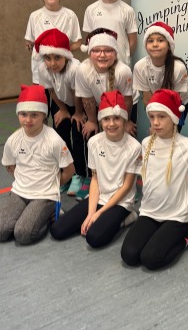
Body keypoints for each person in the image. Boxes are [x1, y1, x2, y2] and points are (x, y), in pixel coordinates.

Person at [50, 91, 141, 247]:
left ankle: (127, 218)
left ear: (125, 119)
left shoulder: (134, 147)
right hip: (99, 197)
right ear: (100, 120)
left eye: (117, 118)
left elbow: (126, 187)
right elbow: (95, 179)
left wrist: (99, 213)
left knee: (94, 237)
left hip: (121, 202)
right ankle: (101, 218)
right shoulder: (94, 142)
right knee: (57, 230)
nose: (111, 124)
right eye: (106, 119)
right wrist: (91, 213)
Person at [121, 89, 188, 270]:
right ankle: (159, 233)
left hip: (177, 216)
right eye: (152, 117)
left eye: (162, 116)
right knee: (129, 255)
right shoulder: (145, 143)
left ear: (174, 118)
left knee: (150, 259)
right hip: (150, 212)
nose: (156, 122)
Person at [0, 85, 75, 245]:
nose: (28, 120)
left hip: (45, 195)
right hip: (20, 192)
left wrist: (52, 186)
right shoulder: (13, 140)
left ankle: (49, 213)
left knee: (23, 234)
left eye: (34, 115)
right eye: (23, 114)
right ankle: (30, 214)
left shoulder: (54, 140)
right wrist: (25, 180)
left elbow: (70, 170)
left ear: (43, 115)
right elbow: (9, 165)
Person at [75, 28, 135, 200]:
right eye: (97, 51)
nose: (102, 55)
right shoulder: (83, 70)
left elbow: (128, 100)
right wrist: (92, 121)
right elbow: (87, 99)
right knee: (90, 133)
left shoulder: (123, 71)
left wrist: (126, 122)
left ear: (115, 54)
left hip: (122, 107)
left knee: (122, 138)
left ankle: (125, 182)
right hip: (97, 105)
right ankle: (90, 177)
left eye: (108, 51)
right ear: (90, 54)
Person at [35, 28, 88, 197]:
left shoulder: (74, 69)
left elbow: (77, 93)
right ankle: (67, 172)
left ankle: (80, 174)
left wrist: (77, 113)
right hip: (61, 102)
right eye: (48, 58)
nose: (52, 63)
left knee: (78, 137)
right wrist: (63, 110)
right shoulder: (43, 69)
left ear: (66, 56)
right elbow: (51, 91)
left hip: (80, 103)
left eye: (57, 57)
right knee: (60, 136)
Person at [24, 0, 82, 84]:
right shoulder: (35, 16)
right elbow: (29, 42)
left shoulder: (70, 15)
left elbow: (78, 43)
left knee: (63, 94)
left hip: (63, 68)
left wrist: (60, 52)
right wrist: (37, 50)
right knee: (42, 94)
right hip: (40, 68)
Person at [133, 21, 188, 126]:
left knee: (171, 131)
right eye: (150, 41)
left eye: (160, 40)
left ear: (169, 45)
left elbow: (176, 99)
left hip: (178, 101)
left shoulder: (179, 68)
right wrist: (155, 122)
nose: (155, 44)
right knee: (156, 129)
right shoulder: (140, 67)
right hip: (153, 101)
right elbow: (147, 98)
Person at [83, 0, 137, 67]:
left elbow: (133, 40)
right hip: (98, 63)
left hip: (121, 63)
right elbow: (89, 39)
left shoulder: (127, 10)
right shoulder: (91, 9)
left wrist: (125, 56)